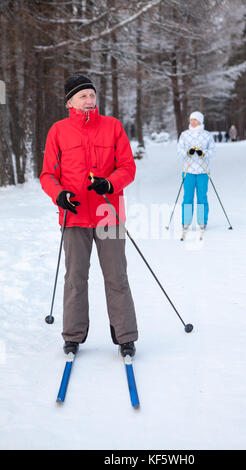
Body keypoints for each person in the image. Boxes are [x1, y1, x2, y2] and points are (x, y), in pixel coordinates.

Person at [40, 74, 138, 358]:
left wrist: (110, 183)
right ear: (70, 101)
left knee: (117, 276)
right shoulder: (58, 131)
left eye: (92, 95)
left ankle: (126, 336)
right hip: (74, 216)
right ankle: (73, 336)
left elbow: (128, 167)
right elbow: (47, 175)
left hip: (108, 212)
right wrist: (59, 194)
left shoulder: (112, 127)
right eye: (83, 96)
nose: (89, 100)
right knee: (75, 278)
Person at [177, 111, 216, 236]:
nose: (193, 122)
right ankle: (186, 222)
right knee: (187, 197)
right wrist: (188, 152)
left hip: (203, 171)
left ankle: (202, 221)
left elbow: (213, 151)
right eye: (191, 119)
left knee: (202, 197)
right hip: (188, 171)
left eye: (195, 120)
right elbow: (180, 151)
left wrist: (203, 153)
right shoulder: (184, 135)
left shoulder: (207, 135)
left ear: (200, 121)